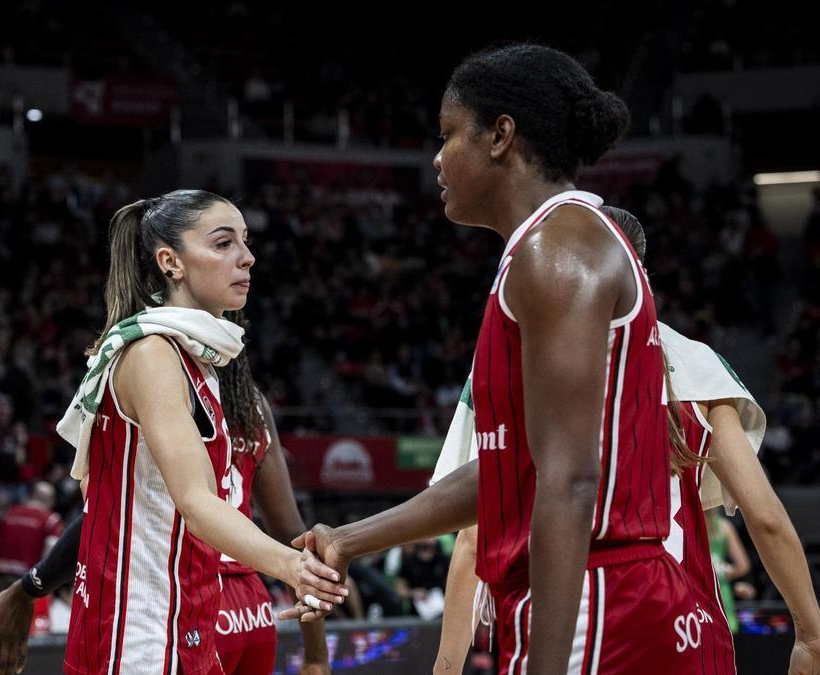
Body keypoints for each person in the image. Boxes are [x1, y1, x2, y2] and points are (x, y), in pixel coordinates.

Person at [285, 44, 699, 674]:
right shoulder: (549, 247)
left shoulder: (556, 247)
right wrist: (348, 540)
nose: (437, 156)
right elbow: (514, 468)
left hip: (596, 601)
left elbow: (571, 479)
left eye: (450, 133)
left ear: (501, 135)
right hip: (597, 596)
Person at [430, 208, 820, 675]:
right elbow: (766, 517)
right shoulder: (699, 362)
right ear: (640, 273)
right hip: (690, 630)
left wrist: (446, 667)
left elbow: (474, 537)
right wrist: (811, 634)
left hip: (575, 630)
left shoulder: (514, 362)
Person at [35, 190, 343, 674]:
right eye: (223, 244)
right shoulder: (153, 353)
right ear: (170, 263)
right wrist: (291, 566)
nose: (247, 256)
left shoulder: (200, 361)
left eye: (245, 241)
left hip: (188, 617)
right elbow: (197, 503)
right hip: (136, 631)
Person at [0, 350, 332, 674]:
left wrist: (33, 585)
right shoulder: (252, 402)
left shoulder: (162, 378)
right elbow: (291, 532)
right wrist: (316, 653)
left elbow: (105, 518)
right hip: (254, 608)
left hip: (193, 596)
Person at [0, 481, 63, 581]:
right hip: (27, 578)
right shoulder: (51, 520)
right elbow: (50, 549)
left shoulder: (9, 513)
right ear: (50, 500)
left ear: (31, 495)